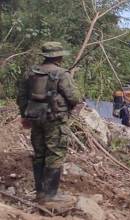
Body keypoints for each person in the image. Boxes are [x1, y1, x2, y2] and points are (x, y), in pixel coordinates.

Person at [16, 42, 82, 206]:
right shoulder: (61, 74)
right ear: (58, 57)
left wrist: (25, 115)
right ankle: (50, 195)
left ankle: (40, 193)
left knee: (40, 154)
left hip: (35, 118)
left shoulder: (31, 73)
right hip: (55, 120)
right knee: (55, 154)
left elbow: (22, 97)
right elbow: (74, 97)